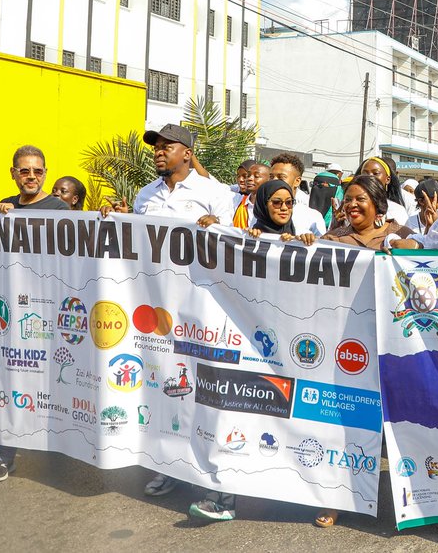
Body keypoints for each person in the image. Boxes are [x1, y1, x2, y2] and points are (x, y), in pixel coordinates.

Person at [105, 125, 234, 519]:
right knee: (164, 389)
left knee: (206, 394)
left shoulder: (216, 194)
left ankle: (218, 487)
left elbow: (233, 246)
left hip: (201, 308)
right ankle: (170, 468)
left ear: (187, 152)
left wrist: (218, 228)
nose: (159, 153)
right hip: (157, 310)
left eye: (167, 147)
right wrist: (119, 221)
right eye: (156, 148)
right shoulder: (146, 194)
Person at [0, 146, 72, 483]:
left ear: (45, 173)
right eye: (24, 171)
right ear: (13, 173)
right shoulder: (4, 206)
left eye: (37, 171)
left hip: (48, 309)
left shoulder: (59, 208)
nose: (31, 177)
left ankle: (58, 442)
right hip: (11, 312)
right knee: (9, 377)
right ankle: (3, 452)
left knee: (51, 380)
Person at [321, 174, 411, 251]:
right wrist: (309, 241)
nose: (352, 205)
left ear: (377, 203)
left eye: (360, 199)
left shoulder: (403, 235)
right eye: (348, 200)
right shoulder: (332, 239)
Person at [268, 153, 327, 235]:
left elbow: (321, 245)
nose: (274, 181)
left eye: (281, 177)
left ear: (297, 181)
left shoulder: (313, 217)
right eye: (271, 177)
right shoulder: (260, 212)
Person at [249, 179, 316, 245]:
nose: (284, 208)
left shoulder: (301, 235)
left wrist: (307, 241)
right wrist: (248, 237)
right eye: (277, 202)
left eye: (289, 202)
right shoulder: (248, 237)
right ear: (263, 205)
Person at [354, 156, 409, 227]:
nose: (370, 177)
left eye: (375, 173)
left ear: (387, 179)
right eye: (365, 173)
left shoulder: (397, 211)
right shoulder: (352, 206)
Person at [229, 159, 258, 230]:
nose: (240, 180)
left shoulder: (269, 203)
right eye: (238, 176)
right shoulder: (234, 197)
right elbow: (214, 184)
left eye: (245, 176)